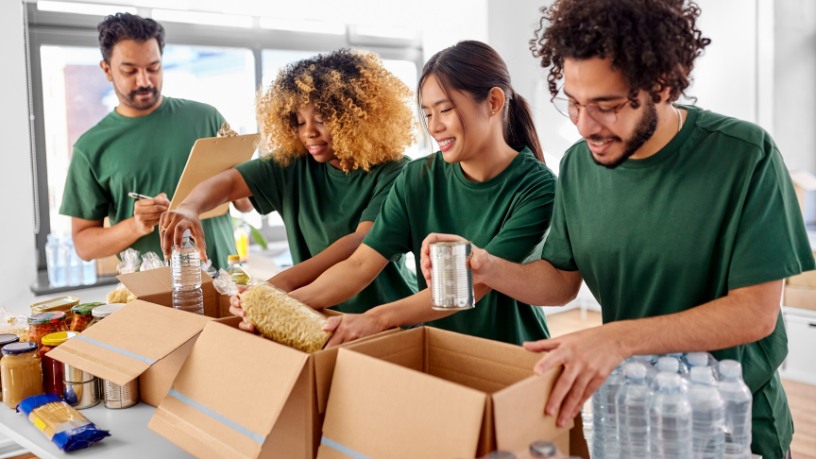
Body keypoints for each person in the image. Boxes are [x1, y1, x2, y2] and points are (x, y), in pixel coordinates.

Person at [420, 2, 808, 458]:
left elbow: (754, 314)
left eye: (605, 106)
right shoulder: (579, 166)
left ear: (662, 84)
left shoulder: (744, 156)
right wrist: (487, 266)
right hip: (629, 413)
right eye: (573, 103)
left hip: (726, 422)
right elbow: (562, 280)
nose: (585, 126)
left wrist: (616, 339)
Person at [286, 41, 556, 348]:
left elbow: (470, 285)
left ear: (494, 102)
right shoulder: (418, 177)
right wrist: (283, 300)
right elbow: (360, 265)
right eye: (427, 114)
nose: (435, 126)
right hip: (438, 352)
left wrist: (376, 318)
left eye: (445, 110)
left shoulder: (537, 187)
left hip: (512, 353)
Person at [159, 49, 418, 317]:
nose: (308, 132)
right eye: (299, 121)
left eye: (321, 119)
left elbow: (361, 243)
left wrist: (278, 287)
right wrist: (190, 207)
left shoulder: (395, 171)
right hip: (316, 314)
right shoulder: (294, 163)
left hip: (385, 316)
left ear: (356, 117)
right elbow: (228, 182)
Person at [59, 13, 250, 271]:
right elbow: (84, 245)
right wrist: (135, 226)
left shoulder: (207, 118)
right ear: (106, 70)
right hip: (150, 299)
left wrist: (240, 179)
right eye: (130, 71)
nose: (145, 81)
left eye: (153, 68)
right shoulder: (91, 148)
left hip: (223, 286)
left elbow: (246, 204)